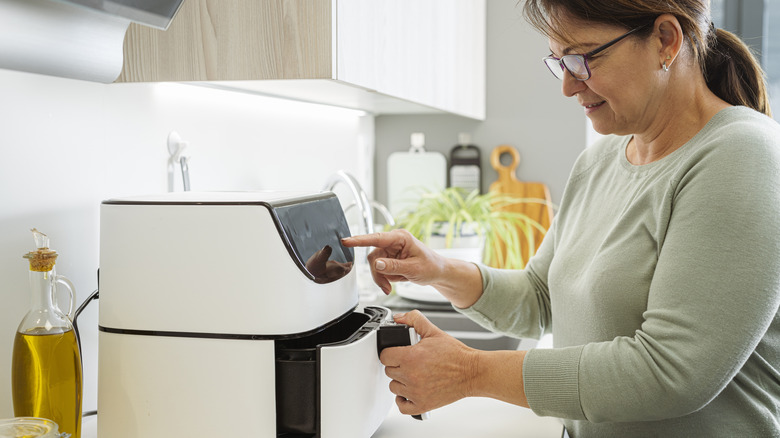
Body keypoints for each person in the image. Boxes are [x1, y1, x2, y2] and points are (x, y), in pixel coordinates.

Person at [341, 1, 780, 436]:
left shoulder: (742, 155)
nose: (568, 86)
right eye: (559, 62)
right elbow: (540, 299)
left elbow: (671, 372)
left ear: (665, 40)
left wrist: (469, 372)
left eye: (584, 58)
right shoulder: (601, 161)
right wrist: (437, 270)